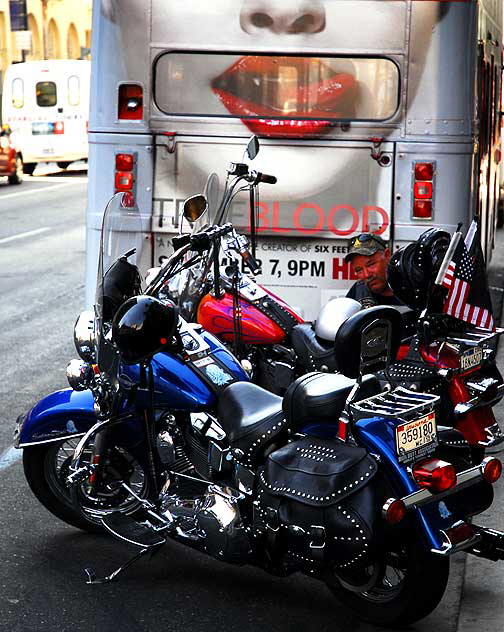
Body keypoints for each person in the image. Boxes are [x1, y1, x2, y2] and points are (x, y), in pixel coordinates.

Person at [345, 233, 403, 307]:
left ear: (387, 255)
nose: (367, 275)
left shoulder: (414, 288)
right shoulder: (358, 292)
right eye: (359, 270)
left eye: (371, 265)